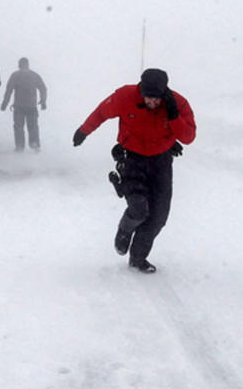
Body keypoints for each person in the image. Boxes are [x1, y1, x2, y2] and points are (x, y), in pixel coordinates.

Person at [72, 68, 196, 273]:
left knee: (158, 216)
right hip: (132, 158)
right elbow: (102, 112)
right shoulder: (125, 96)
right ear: (141, 91)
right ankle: (124, 229)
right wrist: (84, 131)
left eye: (157, 100)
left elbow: (189, 137)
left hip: (161, 162)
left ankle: (138, 258)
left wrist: (174, 116)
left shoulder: (178, 103)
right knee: (139, 209)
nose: (152, 103)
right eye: (148, 98)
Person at [0, 57, 48, 151]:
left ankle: (20, 146)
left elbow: (9, 91)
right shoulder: (34, 75)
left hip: (19, 107)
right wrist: (43, 101)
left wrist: (4, 104)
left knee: (18, 127)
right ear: (28, 65)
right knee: (33, 126)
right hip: (31, 107)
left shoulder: (15, 76)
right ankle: (34, 144)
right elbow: (43, 89)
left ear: (19, 65)